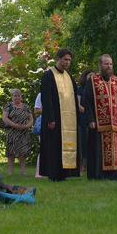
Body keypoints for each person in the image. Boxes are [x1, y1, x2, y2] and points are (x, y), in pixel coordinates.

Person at [39, 49, 81, 181]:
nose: (67, 62)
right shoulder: (49, 75)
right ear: (58, 59)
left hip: (69, 120)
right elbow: (46, 99)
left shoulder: (69, 76)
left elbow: (74, 98)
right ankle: (54, 174)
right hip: (55, 118)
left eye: (69, 60)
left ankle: (65, 173)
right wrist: (50, 118)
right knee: (54, 146)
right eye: (65, 59)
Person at [82, 54, 117, 180]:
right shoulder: (92, 81)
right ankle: (98, 175)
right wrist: (90, 119)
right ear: (100, 65)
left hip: (114, 123)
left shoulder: (115, 81)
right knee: (98, 150)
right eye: (106, 64)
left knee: (113, 149)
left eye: (110, 64)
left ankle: (113, 174)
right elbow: (86, 101)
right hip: (98, 123)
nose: (109, 66)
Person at [2, 88, 33, 176]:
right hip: (12, 132)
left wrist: (27, 126)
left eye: (18, 96)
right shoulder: (8, 106)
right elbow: (4, 118)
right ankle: (10, 172)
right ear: (12, 97)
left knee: (23, 152)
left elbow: (31, 119)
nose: (17, 97)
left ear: (21, 97)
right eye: (15, 96)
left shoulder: (26, 106)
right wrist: (14, 125)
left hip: (24, 132)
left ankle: (23, 171)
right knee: (11, 152)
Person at [76, 70, 93, 172]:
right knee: (83, 142)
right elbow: (78, 106)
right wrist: (88, 111)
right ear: (85, 76)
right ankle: (83, 165)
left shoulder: (95, 89)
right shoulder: (80, 89)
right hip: (83, 120)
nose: (92, 77)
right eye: (90, 75)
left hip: (93, 119)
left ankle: (91, 164)